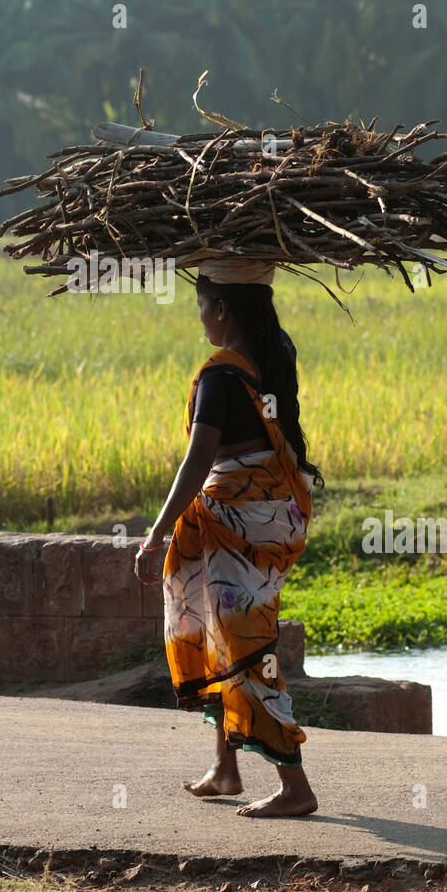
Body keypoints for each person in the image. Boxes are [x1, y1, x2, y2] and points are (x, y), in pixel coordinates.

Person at [133, 258, 324, 818]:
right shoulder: (276, 350)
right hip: (275, 511)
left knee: (245, 648)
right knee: (227, 637)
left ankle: (296, 787)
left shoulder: (219, 376)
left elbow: (197, 464)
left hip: (233, 522)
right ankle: (225, 767)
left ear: (220, 308)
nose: (201, 319)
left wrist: (155, 536)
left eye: (201, 307)